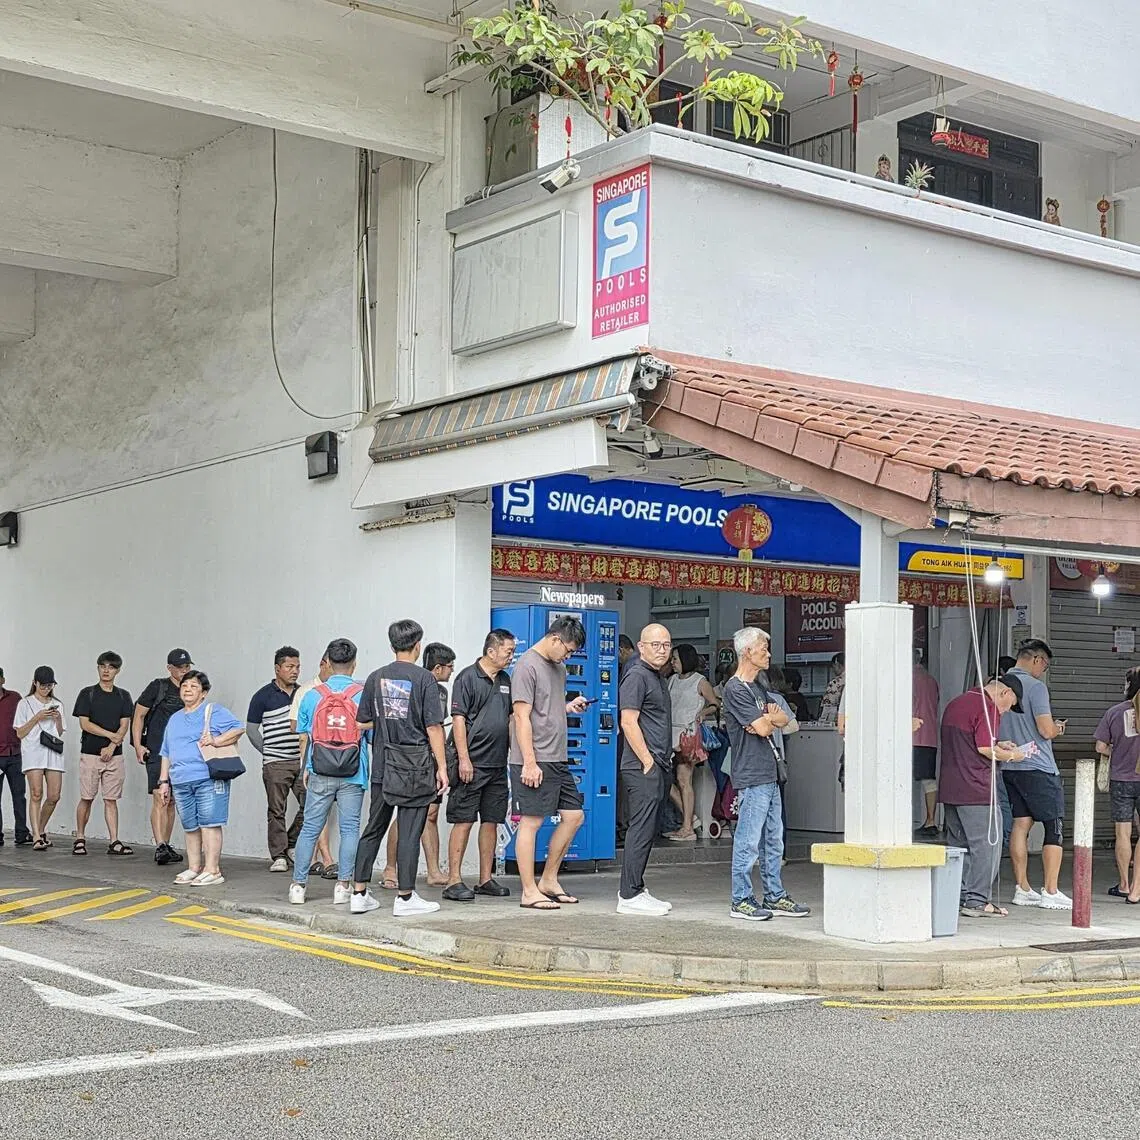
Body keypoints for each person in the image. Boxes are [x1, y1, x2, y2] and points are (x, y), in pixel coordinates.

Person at [352, 619, 449, 918]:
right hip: (415, 767)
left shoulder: (375, 677)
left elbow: (361, 722)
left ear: (392, 645)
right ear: (417, 645)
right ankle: (405, 898)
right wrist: (442, 767)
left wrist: (386, 720)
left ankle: (359, 892)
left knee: (373, 828)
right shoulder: (424, 680)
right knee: (410, 830)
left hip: (383, 764)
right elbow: (434, 727)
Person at [723, 628, 810, 921]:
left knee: (774, 840)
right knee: (748, 840)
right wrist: (765, 721)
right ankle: (741, 899)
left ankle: (774, 895)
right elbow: (762, 728)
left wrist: (766, 719)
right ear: (747, 651)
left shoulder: (758, 688)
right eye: (763, 648)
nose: (768, 653)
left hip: (771, 773)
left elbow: (784, 719)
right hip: (752, 774)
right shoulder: (734, 689)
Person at [510, 614, 590, 911]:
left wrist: (567, 706)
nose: (568, 655)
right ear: (555, 639)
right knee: (531, 822)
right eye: (567, 649)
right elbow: (521, 716)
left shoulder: (559, 668)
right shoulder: (527, 666)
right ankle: (529, 891)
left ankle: (549, 880)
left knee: (574, 816)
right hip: (534, 758)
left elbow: (546, 708)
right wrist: (529, 763)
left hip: (557, 757)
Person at [938, 673, 1029, 917]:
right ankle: (977, 900)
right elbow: (984, 749)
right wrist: (1013, 755)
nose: (1006, 712)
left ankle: (959, 896)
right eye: (1009, 706)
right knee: (987, 845)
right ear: (1005, 693)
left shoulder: (957, 703)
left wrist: (1001, 744)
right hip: (976, 788)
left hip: (951, 788)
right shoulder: (988, 707)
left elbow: (970, 743)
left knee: (959, 846)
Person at [289, 638, 368, 907]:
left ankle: (298, 886)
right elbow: (371, 733)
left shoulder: (313, 694)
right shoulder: (362, 694)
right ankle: (342, 885)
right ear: (354, 663)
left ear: (328, 663)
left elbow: (304, 732)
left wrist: (307, 768)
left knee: (310, 828)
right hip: (354, 771)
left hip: (319, 769)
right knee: (349, 829)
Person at [442, 629, 516, 902]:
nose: (511, 656)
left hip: (497, 765)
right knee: (463, 820)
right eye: (508, 651)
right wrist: (464, 759)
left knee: (491, 821)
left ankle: (485, 879)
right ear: (491, 651)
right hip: (472, 764)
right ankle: (453, 880)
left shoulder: (506, 680)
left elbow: (510, 718)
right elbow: (458, 719)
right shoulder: (467, 678)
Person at [1001, 638, 1071, 910]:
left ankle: (1023, 888)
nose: (1043, 670)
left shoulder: (1001, 685)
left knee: (1021, 824)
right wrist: (1058, 728)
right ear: (1037, 659)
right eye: (1045, 665)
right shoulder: (1036, 687)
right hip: (1039, 767)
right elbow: (1044, 730)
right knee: (1054, 826)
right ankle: (1051, 891)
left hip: (1010, 765)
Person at [156, 670, 244, 887]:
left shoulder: (213, 711)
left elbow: (238, 728)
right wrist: (163, 781)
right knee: (190, 825)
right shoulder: (175, 718)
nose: (187, 689)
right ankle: (194, 867)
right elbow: (166, 751)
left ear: (203, 693)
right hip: (181, 779)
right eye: (185, 685)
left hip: (208, 776)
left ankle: (212, 870)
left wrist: (216, 740)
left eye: (194, 686)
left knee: (210, 823)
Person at [388, 640, 454, 889]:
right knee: (405, 812)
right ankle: (391, 867)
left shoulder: (443, 692)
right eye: (449, 666)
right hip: (410, 758)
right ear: (437, 668)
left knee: (431, 813)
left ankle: (434, 870)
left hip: (432, 758)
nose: (451, 671)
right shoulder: (414, 683)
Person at [617, 624, 674, 916]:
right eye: (655, 645)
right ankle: (629, 895)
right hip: (643, 766)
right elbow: (628, 721)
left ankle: (636, 887)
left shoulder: (655, 675)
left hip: (657, 764)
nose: (661, 650)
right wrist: (648, 762)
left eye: (666, 645)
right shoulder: (637, 675)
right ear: (641, 647)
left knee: (648, 829)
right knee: (640, 829)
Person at [247, 646, 306, 872]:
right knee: (276, 809)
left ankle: (290, 842)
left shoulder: (303, 693)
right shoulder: (262, 696)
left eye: (298, 667)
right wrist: (269, 751)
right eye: (290, 667)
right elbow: (252, 730)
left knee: (312, 803)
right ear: (277, 668)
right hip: (275, 763)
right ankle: (279, 855)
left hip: (301, 761)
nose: (295, 671)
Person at [72, 652, 135, 856]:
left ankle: (114, 840)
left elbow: (125, 724)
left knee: (111, 799)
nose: (106, 670)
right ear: (98, 668)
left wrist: (111, 746)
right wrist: (111, 737)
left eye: (111, 667)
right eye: (103, 666)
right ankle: (80, 837)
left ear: (118, 670)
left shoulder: (123, 696)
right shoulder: (87, 693)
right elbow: (85, 723)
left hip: (114, 756)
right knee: (87, 797)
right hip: (90, 753)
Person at [134, 649, 193, 865]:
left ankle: (166, 845)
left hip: (181, 754)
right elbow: (139, 715)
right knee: (160, 796)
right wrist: (139, 745)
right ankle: (159, 845)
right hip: (157, 750)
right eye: (180, 667)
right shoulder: (158, 687)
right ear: (170, 668)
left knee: (172, 801)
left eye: (187, 667)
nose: (184, 671)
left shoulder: (191, 689)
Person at [289, 652, 338, 879]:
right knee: (316, 812)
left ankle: (315, 860)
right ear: (323, 664)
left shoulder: (343, 689)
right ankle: (325, 859)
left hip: (339, 762)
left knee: (321, 812)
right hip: (313, 761)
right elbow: (295, 726)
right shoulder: (307, 691)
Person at [1095, 667, 1140, 903]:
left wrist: (1119, 751)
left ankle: (1123, 884)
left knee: (1123, 833)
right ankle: (1136, 889)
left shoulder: (1114, 712)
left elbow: (1100, 747)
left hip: (1121, 779)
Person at [665, 643, 719, 841]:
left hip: (688, 734)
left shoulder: (700, 681)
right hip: (670, 732)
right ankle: (690, 821)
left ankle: (687, 827)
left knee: (683, 779)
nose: (672, 662)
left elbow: (715, 704)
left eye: (676, 659)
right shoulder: (671, 680)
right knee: (664, 779)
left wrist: (702, 713)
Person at [14, 667, 65, 850]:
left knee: (54, 795)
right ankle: (35, 836)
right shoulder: (24, 703)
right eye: (43, 685)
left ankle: (40, 829)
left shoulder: (57, 703)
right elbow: (20, 732)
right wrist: (37, 717)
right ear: (35, 683)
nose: (46, 689)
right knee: (36, 793)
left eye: (49, 685)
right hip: (33, 751)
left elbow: (59, 732)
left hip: (52, 752)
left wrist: (57, 718)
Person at [0, 667, 32, 847]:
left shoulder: (15, 698)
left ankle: (22, 833)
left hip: (16, 755)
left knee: (19, 795)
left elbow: (24, 721)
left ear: (2, 680)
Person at [912, 654, 941, 837]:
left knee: (900, 778)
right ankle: (931, 820)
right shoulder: (931, 680)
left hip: (910, 735)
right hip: (930, 735)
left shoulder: (905, 679)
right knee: (928, 780)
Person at [817, 653, 845, 724]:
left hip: (838, 722)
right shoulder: (859, 681)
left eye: (833, 666)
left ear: (838, 665)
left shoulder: (835, 683)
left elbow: (827, 706)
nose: (833, 669)